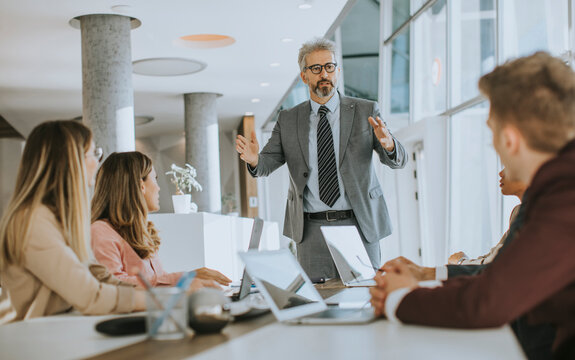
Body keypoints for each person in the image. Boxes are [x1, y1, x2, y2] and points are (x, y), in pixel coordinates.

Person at [370, 52, 575, 359]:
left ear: (510, 139)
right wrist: (418, 282)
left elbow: (490, 301)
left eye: (491, 130)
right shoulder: (556, 187)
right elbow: (500, 279)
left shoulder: (564, 194)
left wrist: (399, 298)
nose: (492, 145)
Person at [235, 38, 407, 279]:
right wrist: (254, 160)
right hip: (311, 230)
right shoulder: (288, 119)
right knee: (319, 300)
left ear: (338, 70)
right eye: (316, 68)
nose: (323, 73)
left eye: (329, 66)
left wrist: (389, 144)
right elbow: (266, 164)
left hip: (359, 224)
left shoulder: (365, 111)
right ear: (304, 76)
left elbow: (398, 160)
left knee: (364, 296)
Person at [0, 121, 146, 323]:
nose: (97, 162)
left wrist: (161, 294)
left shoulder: (60, 219)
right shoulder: (32, 220)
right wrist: (163, 300)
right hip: (29, 342)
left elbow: (98, 277)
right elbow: (91, 296)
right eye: (93, 153)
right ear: (69, 161)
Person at [91, 151, 232, 288]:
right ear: (142, 186)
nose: (158, 188)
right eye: (155, 179)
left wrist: (192, 283)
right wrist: (186, 278)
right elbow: (114, 283)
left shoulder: (142, 231)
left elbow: (159, 281)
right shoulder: (100, 230)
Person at [448, 168, 525, 265]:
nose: (501, 173)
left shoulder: (534, 216)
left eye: (508, 166)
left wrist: (460, 262)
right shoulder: (518, 211)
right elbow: (493, 255)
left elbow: (495, 262)